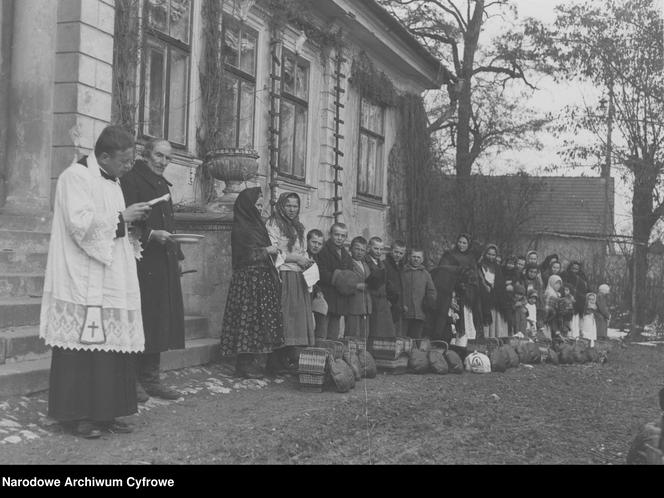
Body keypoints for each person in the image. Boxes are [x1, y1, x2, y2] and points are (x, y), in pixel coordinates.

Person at [39, 126, 152, 439]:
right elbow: (80, 226)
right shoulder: (75, 177)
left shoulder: (112, 179)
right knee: (82, 347)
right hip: (82, 275)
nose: (129, 166)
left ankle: (106, 413)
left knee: (110, 348)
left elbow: (112, 224)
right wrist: (122, 218)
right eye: (125, 161)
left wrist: (132, 224)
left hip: (110, 275)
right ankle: (76, 417)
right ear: (104, 156)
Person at [120, 139, 184, 402]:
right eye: (159, 155)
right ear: (145, 155)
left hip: (163, 260)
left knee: (159, 319)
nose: (163, 162)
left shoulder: (161, 184)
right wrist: (150, 235)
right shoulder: (132, 180)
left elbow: (169, 221)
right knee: (142, 317)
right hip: (141, 259)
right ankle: (132, 380)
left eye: (167, 158)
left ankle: (151, 379)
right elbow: (125, 221)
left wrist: (178, 255)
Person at [220, 187, 284, 378]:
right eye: (257, 205)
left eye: (261, 205)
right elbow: (244, 255)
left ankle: (256, 363)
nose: (260, 210)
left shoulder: (257, 226)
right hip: (248, 281)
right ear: (248, 206)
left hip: (261, 280)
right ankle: (243, 366)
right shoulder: (242, 227)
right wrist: (267, 251)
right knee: (247, 322)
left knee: (259, 322)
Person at [266, 192, 315, 368]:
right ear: (281, 206)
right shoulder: (273, 223)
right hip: (284, 275)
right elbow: (274, 251)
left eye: (295, 206)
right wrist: (296, 259)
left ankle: (288, 358)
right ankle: (275, 361)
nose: (292, 209)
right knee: (284, 316)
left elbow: (301, 250)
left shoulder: (299, 226)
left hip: (298, 276)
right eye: (288, 205)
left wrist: (306, 260)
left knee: (295, 318)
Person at [435, 233, 480, 344]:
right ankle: (450, 344)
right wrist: (458, 273)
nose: (461, 245)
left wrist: (468, 284)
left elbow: (474, 276)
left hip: (466, 295)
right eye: (460, 242)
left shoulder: (471, 258)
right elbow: (442, 270)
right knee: (452, 319)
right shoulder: (449, 255)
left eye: (464, 243)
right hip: (451, 292)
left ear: (468, 245)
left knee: (466, 319)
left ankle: (465, 344)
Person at [317, 223, 353, 339]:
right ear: (330, 234)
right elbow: (321, 272)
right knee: (322, 331)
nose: (339, 238)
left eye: (343, 236)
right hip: (326, 297)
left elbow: (350, 274)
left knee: (334, 333)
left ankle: (331, 355)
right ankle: (320, 354)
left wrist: (347, 282)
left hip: (339, 299)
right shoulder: (323, 250)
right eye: (336, 235)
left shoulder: (346, 255)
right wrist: (339, 278)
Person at [401, 249, 437, 339]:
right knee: (402, 340)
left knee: (416, 341)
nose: (416, 259)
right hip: (403, 313)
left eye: (418, 257)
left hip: (419, 314)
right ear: (409, 257)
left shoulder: (425, 274)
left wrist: (427, 304)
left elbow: (432, 291)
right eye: (414, 257)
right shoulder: (402, 271)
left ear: (422, 259)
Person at [365, 237, 396, 338]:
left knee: (385, 331)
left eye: (381, 249)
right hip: (371, 299)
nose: (379, 252)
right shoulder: (365, 262)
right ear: (369, 247)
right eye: (376, 248)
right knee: (373, 330)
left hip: (383, 302)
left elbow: (386, 282)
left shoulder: (382, 264)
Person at [477, 244, 510, 339]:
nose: (491, 257)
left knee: (496, 327)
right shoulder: (479, 266)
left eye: (493, 255)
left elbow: (500, 284)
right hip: (484, 301)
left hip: (496, 302)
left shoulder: (497, 268)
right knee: (486, 328)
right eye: (489, 254)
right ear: (485, 253)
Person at [344, 237, 372, 339]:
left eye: (362, 250)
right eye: (357, 249)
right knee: (352, 334)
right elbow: (344, 281)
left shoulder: (365, 265)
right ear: (351, 249)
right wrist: (356, 286)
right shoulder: (348, 263)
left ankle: (362, 354)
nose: (360, 252)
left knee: (364, 335)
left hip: (365, 305)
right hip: (353, 304)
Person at [306, 229, 327, 339]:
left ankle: (318, 343)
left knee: (321, 311)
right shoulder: (303, 256)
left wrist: (318, 290)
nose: (316, 246)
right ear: (307, 241)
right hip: (303, 294)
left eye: (319, 244)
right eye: (314, 242)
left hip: (312, 294)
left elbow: (316, 279)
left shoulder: (318, 258)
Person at [561, 261, 589, 337]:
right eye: (573, 268)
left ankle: (576, 337)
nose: (575, 270)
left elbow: (586, 289)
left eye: (577, 269)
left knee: (576, 323)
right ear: (570, 267)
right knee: (569, 322)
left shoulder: (582, 277)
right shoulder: (565, 275)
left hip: (580, 302)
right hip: (569, 301)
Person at [385, 240, 406, 333]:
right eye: (396, 252)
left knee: (397, 333)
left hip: (398, 305)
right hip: (388, 304)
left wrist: (403, 304)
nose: (398, 255)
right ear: (391, 251)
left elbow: (402, 287)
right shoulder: (384, 264)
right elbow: (382, 284)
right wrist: (387, 300)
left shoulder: (402, 267)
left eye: (401, 253)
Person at [542, 275, 563, 340]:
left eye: (560, 284)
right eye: (556, 283)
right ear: (551, 283)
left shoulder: (556, 294)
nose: (558, 285)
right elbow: (547, 309)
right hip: (548, 320)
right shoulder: (551, 294)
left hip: (552, 320)